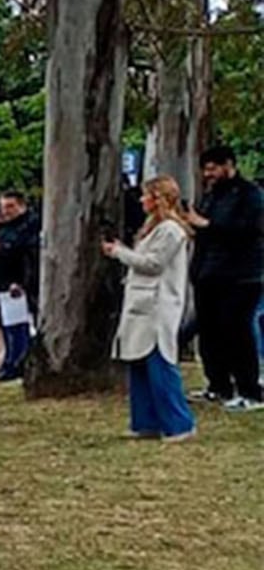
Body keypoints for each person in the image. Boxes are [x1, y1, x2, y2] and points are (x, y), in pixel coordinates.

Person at [105, 176, 197, 441]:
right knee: (140, 364)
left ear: (158, 199)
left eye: (147, 196)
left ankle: (179, 423)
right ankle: (146, 421)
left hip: (158, 304)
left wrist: (119, 253)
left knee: (160, 364)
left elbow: (154, 264)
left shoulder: (171, 230)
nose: (142, 201)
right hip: (141, 303)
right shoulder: (153, 228)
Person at [186, 145, 264, 408]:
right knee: (209, 333)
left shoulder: (250, 195)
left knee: (237, 332)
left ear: (229, 165)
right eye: (205, 169)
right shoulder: (210, 196)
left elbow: (249, 231)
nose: (208, 174)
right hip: (208, 274)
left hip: (242, 276)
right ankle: (218, 385)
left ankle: (249, 390)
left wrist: (207, 225)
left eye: (213, 168)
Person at [0, 191, 42, 382]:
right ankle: (9, 362)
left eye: (10, 206)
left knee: (18, 326)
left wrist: (23, 282)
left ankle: (18, 364)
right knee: (6, 324)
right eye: (3, 207)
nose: (6, 211)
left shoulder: (30, 225)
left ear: (22, 206)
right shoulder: (3, 226)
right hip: (2, 280)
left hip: (19, 282)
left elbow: (25, 252)